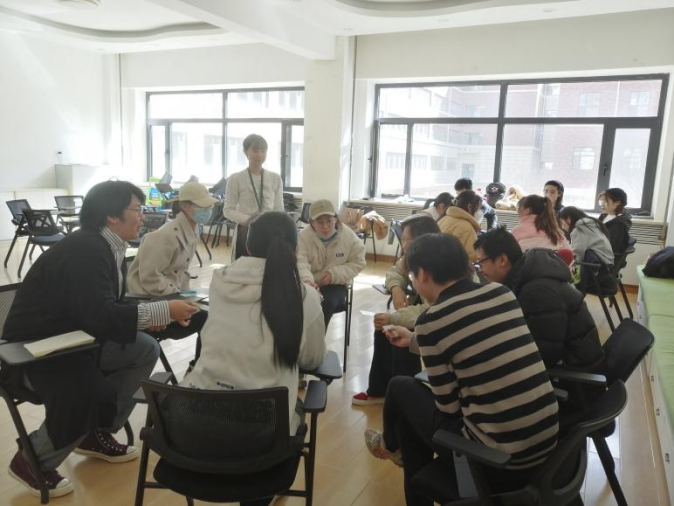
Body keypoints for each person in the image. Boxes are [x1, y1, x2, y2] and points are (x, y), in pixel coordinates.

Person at [2, 181, 198, 499]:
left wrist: (156, 314)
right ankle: (32, 459)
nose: (143, 216)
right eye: (137, 209)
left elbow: (103, 308)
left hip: (78, 335)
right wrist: (163, 310)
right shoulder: (85, 251)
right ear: (111, 215)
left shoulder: (107, 245)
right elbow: (100, 315)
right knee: (87, 393)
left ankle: (96, 432)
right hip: (37, 348)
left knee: (144, 349)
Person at [364, 234, 558, 506]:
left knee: (400, 388)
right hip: (547, 445)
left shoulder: (432, 320)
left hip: (498, 461)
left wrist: (426, 342)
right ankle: (394, 448)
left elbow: (449, 408)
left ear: (423, 274)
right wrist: (415, 341)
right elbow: (478, 342)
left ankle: (391, 446)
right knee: (410, 415)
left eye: (412, 276)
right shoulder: (501, 293)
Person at [182, 212, 326, 438]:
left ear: (248, 247)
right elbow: (312, 359)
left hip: (195, 419)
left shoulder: (219, 280)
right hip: (263, 432)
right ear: (296, 249)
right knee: (296, 406)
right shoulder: (304, 296)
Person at [474, 228, 604, 369]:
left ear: (502, 260)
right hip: (571, 356)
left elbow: (546, 354)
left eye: (481, 262)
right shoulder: (526, 276)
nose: (480, 270)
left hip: (576, 368)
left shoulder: (537, 292)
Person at [127, 181, 216, 368]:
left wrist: (190, 295)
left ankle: (199, 368)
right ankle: (198, 369)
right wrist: (180, 298)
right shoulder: (164, 235)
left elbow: (180, 274)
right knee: (210, 320)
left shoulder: (191, 229)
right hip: (153, 303)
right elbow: (150, 278)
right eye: (202, 206)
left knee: (213, 308)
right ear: (185, 206)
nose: (208, 210)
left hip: (172, 295)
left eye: (209, 206)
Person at [352, 215, 440, 405]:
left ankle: (404, 396)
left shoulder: (438, 267)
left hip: (441, 323)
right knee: (386, 330)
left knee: (397, 330)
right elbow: (395, 271)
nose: (404, 244)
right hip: (426, 313)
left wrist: (395, 318)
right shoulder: (415, 257)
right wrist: (396, 288)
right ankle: (380, 390)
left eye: (409, 240)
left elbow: (433, 310)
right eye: (404, 239)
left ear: (424, 240)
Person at [297, 200, 366, 326]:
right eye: (320, 222)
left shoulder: (349, 237)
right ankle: (300, 336)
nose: (325, 226)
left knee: (325, 303)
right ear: (311, 223)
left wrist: (333, 275)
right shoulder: (302, 238)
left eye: (329, 220)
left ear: (336, 219)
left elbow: (358, 262)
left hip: (336, 283)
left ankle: (317, 337)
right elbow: (300, 262)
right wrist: (307, 281)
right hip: (307, 282)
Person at [224, 134, 284, 260]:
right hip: (245, 231)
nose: (260, 155)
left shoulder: (275, 178)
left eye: (263, 151)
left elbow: (279, 208)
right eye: (255, 150)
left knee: (268, 267)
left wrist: (271, 223)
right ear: (246, 152)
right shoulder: (236, 178)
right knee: (244, 268)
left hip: (269, 231)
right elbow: (228, 210)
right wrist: (251, 220)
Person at [559, 206, 615, 294]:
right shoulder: (591, 224)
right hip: (605, 267)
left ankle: (573, 294)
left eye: (562, 223)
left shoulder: (579, 229)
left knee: (563, 271)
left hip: (598, 271)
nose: (562, 227)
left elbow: (576, 256)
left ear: (568, 219)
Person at [438, 191, 482, 261]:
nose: (480, 212)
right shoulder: (466, 227)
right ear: (469, 206)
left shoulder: (445, 218)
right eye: (479, 208)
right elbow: (471, 258)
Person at [598, 188, 632, 254]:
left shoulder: (619, 224)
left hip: (604, 255)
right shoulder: (604, 215)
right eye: (601, 202)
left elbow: (611, 247)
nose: (602, 205)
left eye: (605, 202)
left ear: (617, 202)